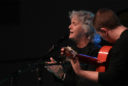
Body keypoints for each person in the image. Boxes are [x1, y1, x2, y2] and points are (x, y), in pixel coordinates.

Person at [67, 8, 128, 86]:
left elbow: (111, 78)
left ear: (104, 31)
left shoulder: (120, 46)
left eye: (100, 34)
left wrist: (79, 72)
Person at [45, 10, 101, 86]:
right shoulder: (70, 50)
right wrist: (57, 70)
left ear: (86, 28)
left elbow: (87, 83)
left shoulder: (96, 52)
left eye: (74, 23)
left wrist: (62, 75)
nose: (69, 27)